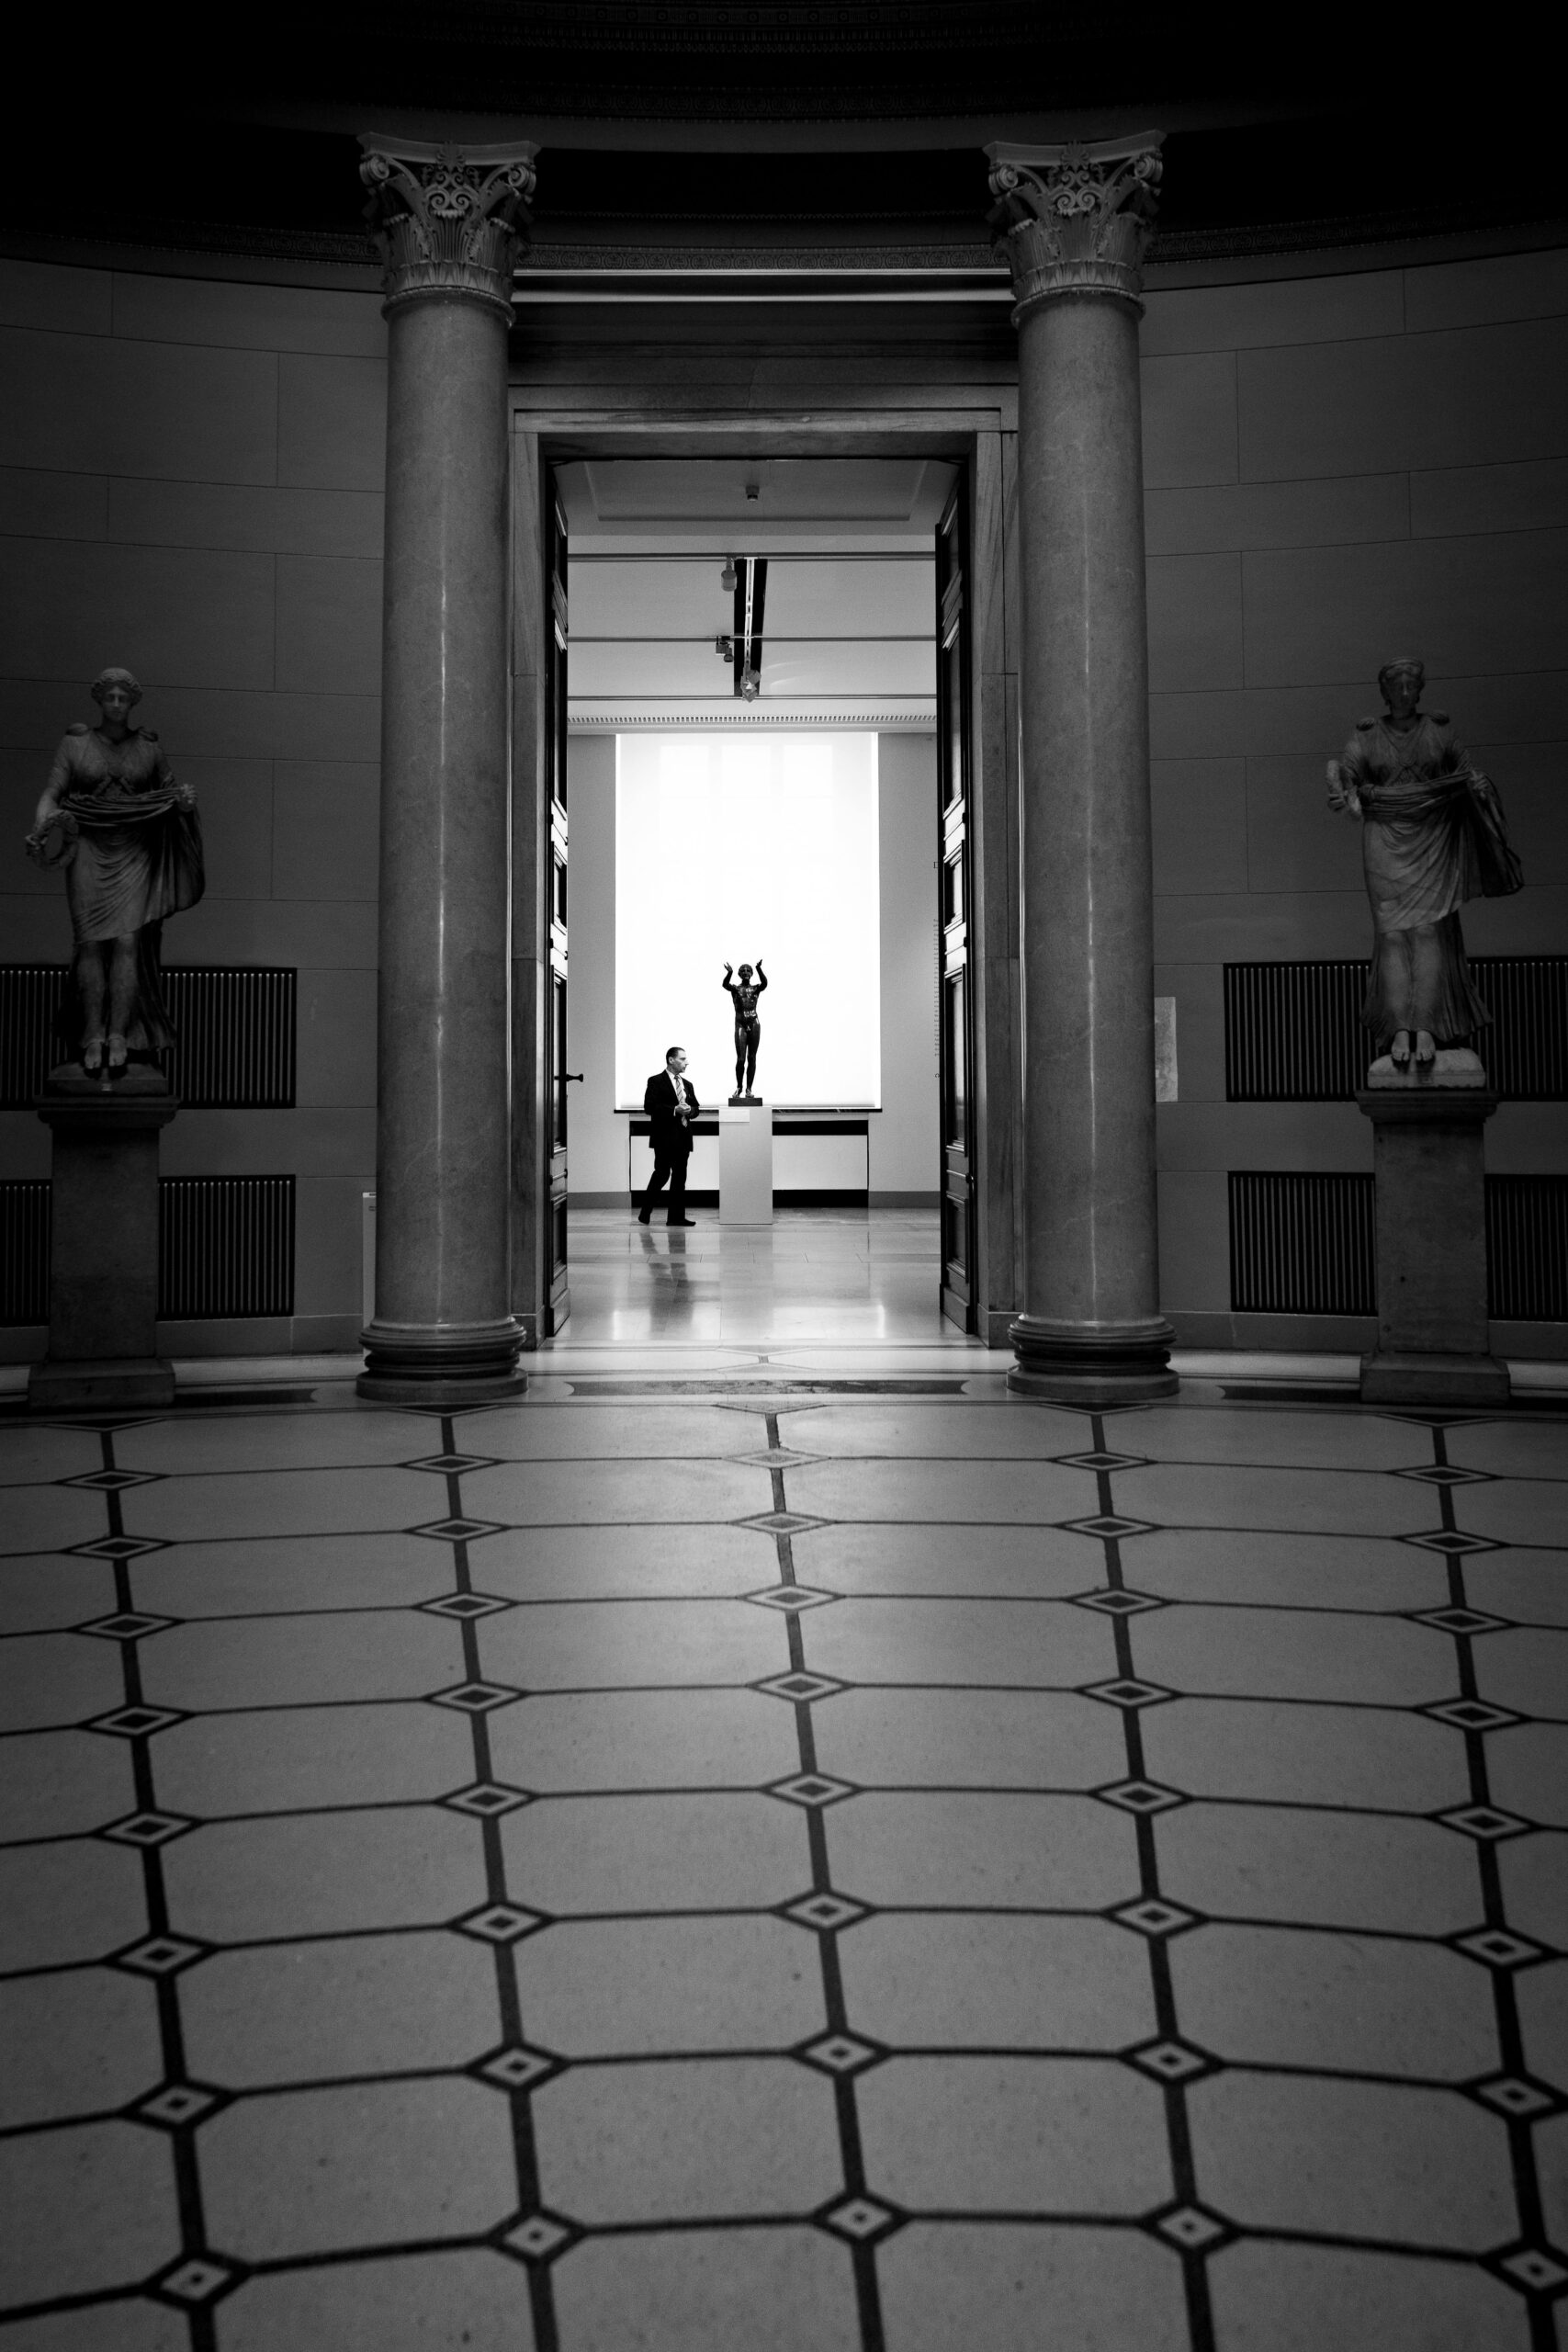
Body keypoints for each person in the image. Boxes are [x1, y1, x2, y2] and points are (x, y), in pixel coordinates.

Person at [1327, 658, 1521, 1068]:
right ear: (1384, 691)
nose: (1403, 692)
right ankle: (1400, 1025)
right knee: (1394, 935)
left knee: (1431, 932)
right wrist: (1346, 793)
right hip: (1384, 838)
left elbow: (1467, 774)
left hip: (1435, 836)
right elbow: (1344, 773)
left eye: (1410, 685)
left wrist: (1481, 788)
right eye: (1395, 686)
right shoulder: (1367, 736)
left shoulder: (1439, 731)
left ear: (1420, 691)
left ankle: (1427, 1026)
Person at [25, 668, 204, 1075]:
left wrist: (186, 802)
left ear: (133, 702)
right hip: (88, 845)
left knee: (127, 943)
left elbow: (172, 793)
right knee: (90, 943)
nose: (118, 704)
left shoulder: (149, 748)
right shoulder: (75, 745)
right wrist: (40, 826)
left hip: (135, 850)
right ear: (99, 701)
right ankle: (92, 1032)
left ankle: (120, 1033)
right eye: (111, 697)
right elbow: (52, 793)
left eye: (124, 697)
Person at [639, 1046, 699, 1226]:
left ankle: (676, 1217)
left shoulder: (687, 1084)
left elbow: (696, 1108)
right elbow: (649, 1107)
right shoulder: (655, 1081)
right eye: (682, 1059)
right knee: (662, 1174)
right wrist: (674, 1110)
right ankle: (645, 1212)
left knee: (680, 1178)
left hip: (683, 1137)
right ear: (671, 1060)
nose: (686, 1062)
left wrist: (690, 1110)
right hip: (664, 1137)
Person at [721, 957, 768, 1101]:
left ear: (752, 973)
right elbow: (725, 984)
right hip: (740, 1023)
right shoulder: (736, 989)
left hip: (754, 1022)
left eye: (748, 970)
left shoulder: (755, 988)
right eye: (743, 970)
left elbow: (765, 983)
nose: (746, 972)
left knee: (752, 1057)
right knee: (741, 1059)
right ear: (739, 974)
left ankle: (749, 1089)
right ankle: (739, 1087)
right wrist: (730, 972)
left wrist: (759, 968)